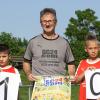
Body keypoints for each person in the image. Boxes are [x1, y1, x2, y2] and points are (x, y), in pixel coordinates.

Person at [23, 8, 75, 81]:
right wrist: (28, 74)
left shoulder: (64, 42)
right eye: (44, 21)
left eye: (50, 21)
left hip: (59, 87)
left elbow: (70, 62)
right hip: (39, 88)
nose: (47, 24)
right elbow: (26, 61)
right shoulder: (33, 42)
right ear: (41, 23)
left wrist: (71, 75)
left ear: (55, 22)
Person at [75, 34, 100, 100]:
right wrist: (85, 72)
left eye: (95, 48)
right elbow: (76, 81)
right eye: (90, 48)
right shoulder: (82, 63)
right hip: (83, 98)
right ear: (86, 49)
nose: (93, 51)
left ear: (99, 48)